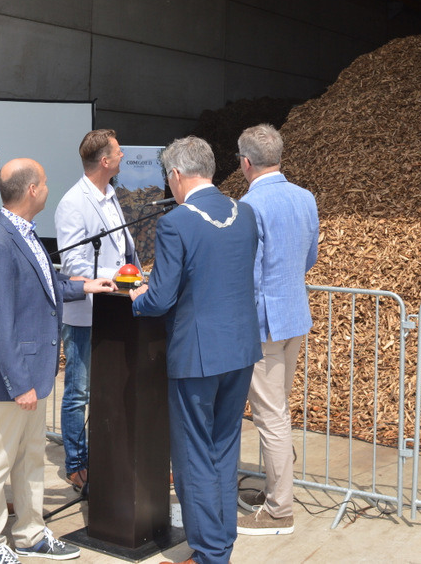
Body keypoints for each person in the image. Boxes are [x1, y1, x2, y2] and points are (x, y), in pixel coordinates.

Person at [0, 159, 117, 564]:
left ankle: (31, 533)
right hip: (12, 380)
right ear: (32, 190)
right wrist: (19, 383)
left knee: (30, 457)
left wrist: (85, 286)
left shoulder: (24, 232)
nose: (49, 188)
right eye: (46, 182)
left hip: (32, 374)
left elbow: (45, 286)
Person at [128, 137, 260, 564]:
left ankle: (209, 552)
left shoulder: (176, 223)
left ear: (176, 174)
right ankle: (221, 542)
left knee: (193, 455)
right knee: (224, 447)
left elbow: (162, 297)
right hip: (240, 347)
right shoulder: (245, 213)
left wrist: (138, 299)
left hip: (197, 352)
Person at [233, 124, 319, 536]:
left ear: (246, 163)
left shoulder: (249, 205)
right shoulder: (305, 197)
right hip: (294, 316)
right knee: (279, 411)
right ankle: (275, 491)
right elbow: (310, 256)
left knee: (271, 418)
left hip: (262, 323)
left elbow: (248, 272)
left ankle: (279, 509)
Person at [53, 128, 136, 493]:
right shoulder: (73, 202)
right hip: (85, 314)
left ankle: (111, 455)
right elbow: (73, 264)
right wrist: (116, 276)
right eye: (118, 152)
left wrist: (134, 277)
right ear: (104, 161)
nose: (122, 156)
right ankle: (76, 463)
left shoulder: (111, 195)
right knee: (79, 392)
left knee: (113, 386)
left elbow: (123, 249)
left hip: (116, 308)